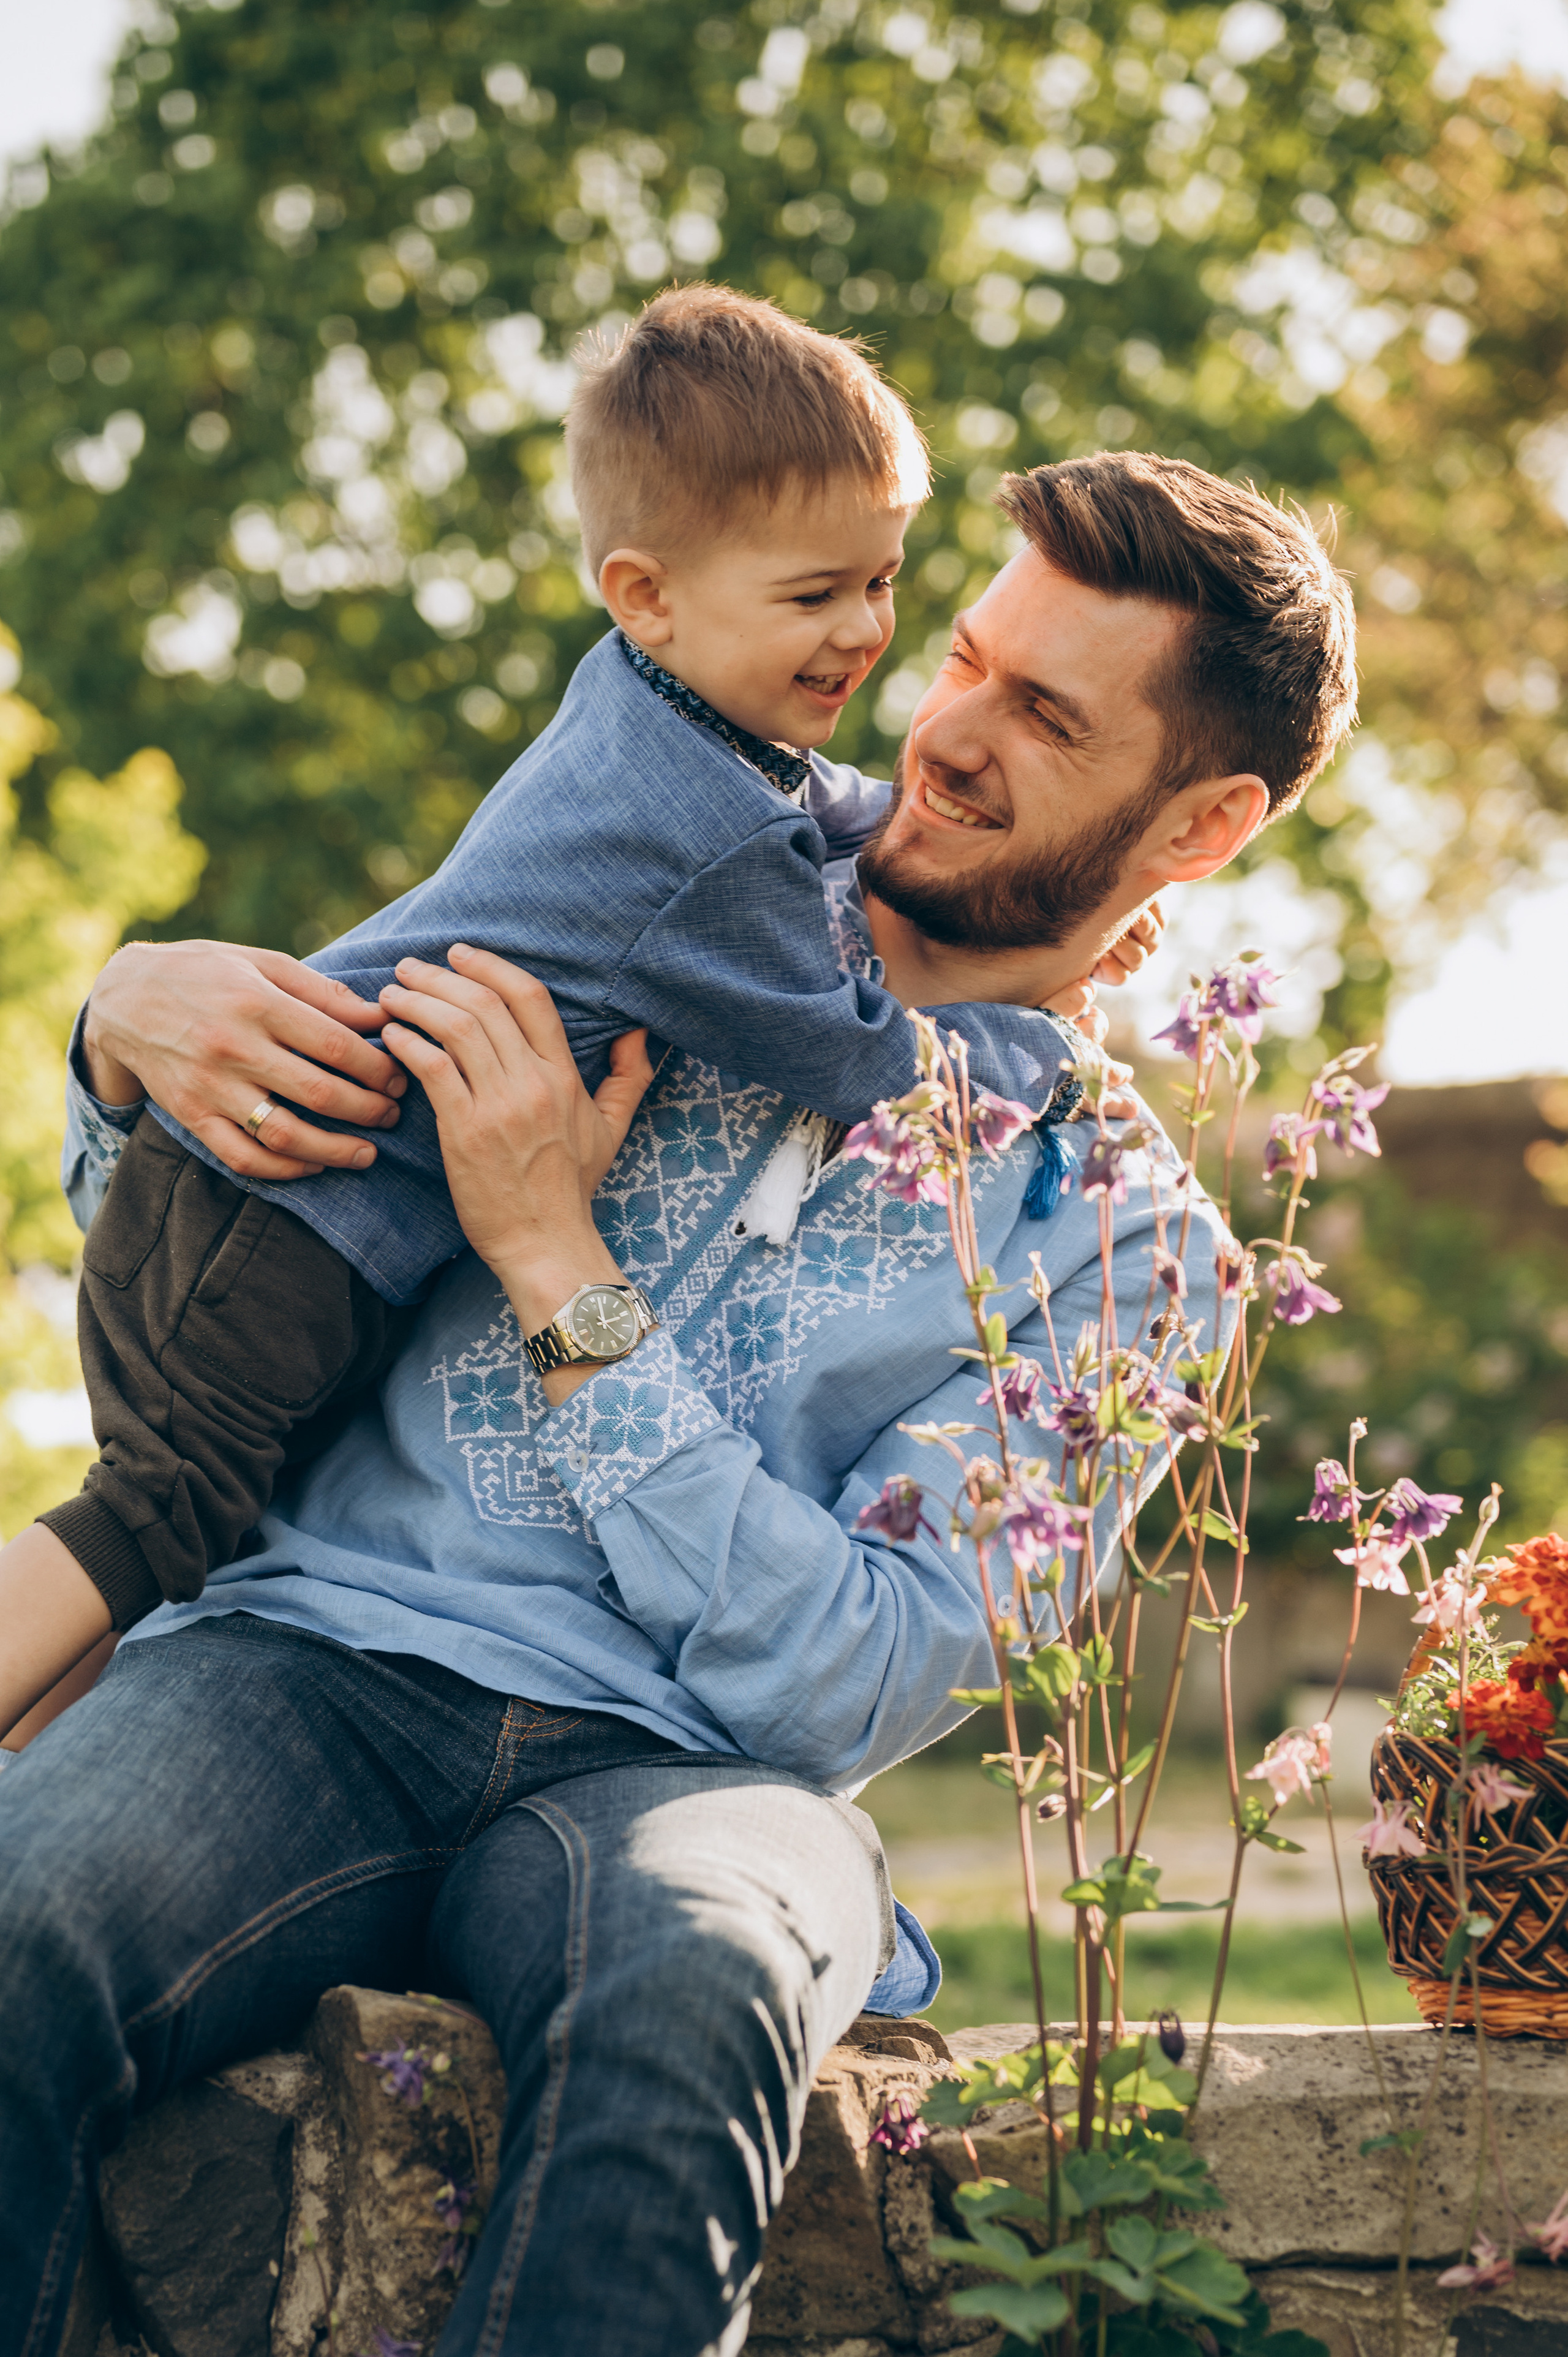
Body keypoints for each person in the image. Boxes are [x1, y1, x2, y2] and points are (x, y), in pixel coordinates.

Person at [0, 450, 1357, 2357]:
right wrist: (124, 1049)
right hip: (307, 1664)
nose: (947, 729)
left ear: (1201, 822)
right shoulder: (649, 859)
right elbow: (233, 1294)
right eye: (964, 656)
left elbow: (847, 1679)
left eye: (1045, 717)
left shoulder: (1136, 1259)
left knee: (699, 1989)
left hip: (697, 1779)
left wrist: (561, 1273)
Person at [13, 281, 1153, 1659]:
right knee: (150, 1520)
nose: (866, 635)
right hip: (277, 1226)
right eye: (815, 595)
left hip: (271, 1204)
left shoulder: (647, 701)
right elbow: (858, 1060)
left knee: (165, 1553)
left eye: (883, 582)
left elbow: (826, 808)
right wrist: (1031, 1046)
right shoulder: (710, 841)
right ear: (646, 593)